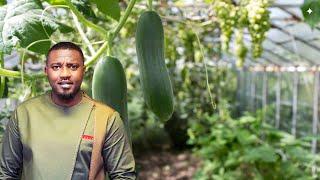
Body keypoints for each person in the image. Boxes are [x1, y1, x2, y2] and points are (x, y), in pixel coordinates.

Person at [0, 42, 136, 179]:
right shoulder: (24, 113)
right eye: (56, 67)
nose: (65, 74)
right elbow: (6, 173)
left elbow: (123, 176)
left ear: (84, 70)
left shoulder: (107, 117)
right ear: (46, 71)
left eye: (73, 66)